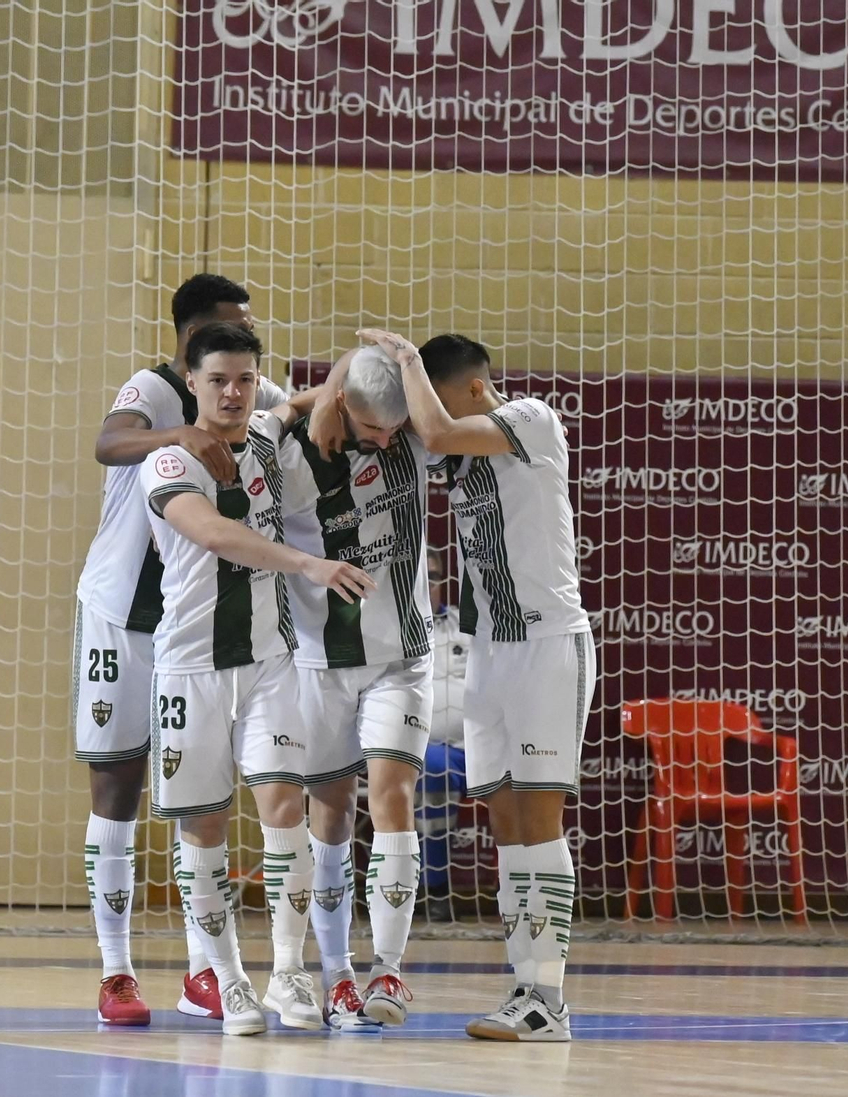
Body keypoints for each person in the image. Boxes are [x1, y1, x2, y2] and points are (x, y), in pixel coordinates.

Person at [360, 329, 595, 1043]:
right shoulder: (457, 457)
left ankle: (546, 997)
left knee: (539, 816)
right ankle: (523, 985)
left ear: (470, 389)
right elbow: (392, 434)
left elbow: (429, 426)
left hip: (548, 644)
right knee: (504, 819)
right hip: (489, 650)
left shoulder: (530, 418)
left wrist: (404, 359)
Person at [140, 322, 373, 1036]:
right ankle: (230, 978)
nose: (234, 392)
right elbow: (212, 532)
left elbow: (293, 407)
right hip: (190, 668)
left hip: (270, 663)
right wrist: (307, 564)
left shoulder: (268, 437)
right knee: (204, 828)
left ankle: (289, 971)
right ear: (191, 383)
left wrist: (349, 381)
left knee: (284, 809)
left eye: (245, 378)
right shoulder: (170, 463)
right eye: (217, 380)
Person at [73, 274, 288, 1024]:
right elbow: (107, 443)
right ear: (188, 339)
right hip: (121, 610)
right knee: (119, 785)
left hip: (196, 629)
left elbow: (294, 415)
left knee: (202, 793)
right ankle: (116, 972)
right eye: (227, 328)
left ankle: (206, 970)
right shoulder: (156, 387)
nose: (233, 377)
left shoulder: (249, 394)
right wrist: (178, 433)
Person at [281, 347, 433, 1031]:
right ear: (341, 403)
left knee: (393, 796)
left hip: (401, 658)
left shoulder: (410, 441)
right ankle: (336, 973)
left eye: (395, 428)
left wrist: (394, 355)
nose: (387, 440)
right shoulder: (286, 453)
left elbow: (417, 413)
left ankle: (389, 970)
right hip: (320, 663)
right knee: (331, 816)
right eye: (375, 430)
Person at [419, 546, 469, 912]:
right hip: (424, 749)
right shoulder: (395, 629)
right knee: (433, 767)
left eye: (435, 576)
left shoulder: (466, 625)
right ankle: (434, 890)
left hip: (477, 747)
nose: (430, 584)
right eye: (423, 577)